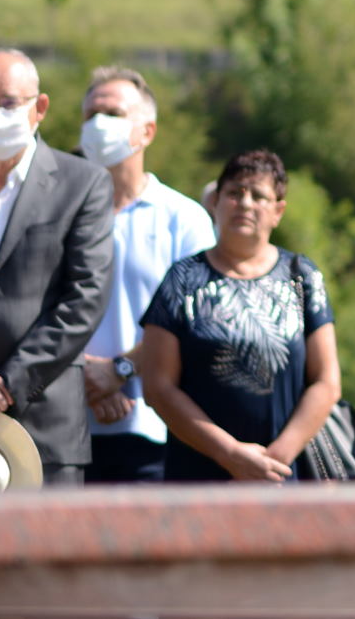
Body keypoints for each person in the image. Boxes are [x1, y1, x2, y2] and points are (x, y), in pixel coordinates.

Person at [0, 49, 115, 486]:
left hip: (46, 426)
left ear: (39, 108)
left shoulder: (84, 183)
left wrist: (7, 385)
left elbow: (86, 298)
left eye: (8, 102)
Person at [135, 150, 342, 482]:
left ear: (278, 211)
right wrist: (229, 453)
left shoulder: (302, 276)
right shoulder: (182, 279)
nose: (245, 203)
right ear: (215, 202)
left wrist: (274, 461)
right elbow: (158, 386)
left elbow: (327, 382)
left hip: (283, 476)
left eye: (258, 196)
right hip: (199, 478)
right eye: (234, 193)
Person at [68, 66, 213, 487]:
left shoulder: (184, 219)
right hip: (60, 430)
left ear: (147, 131)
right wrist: (82, 373)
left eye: (113, 114)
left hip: (156, 431)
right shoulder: (54, 213)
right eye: (91, 115)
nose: (99, 124)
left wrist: (120, 370)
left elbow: (197, 322)